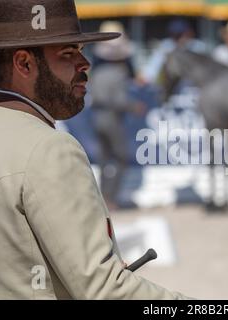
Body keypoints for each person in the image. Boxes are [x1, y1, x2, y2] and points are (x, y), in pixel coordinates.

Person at [0, 0, 191, 300]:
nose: (84, 65)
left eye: (81, 52)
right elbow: (104, 290)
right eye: (68, 54)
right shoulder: (51, 149)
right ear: (24, 63)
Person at [91, 21, 145, 210]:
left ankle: (104, 197)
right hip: (111, 117)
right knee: (121, 157)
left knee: (105, 160)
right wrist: (134, 107)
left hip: (97, 118)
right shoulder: (120, 73)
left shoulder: (96, 72)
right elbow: (120, 101)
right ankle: (111, 198)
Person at [140, 18, 206, 85]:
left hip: (197, 87)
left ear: (189, 33)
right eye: (175, 35)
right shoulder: (166, 46)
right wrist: (145, 77)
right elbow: (152, 67)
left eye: (180, 35)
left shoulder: (198, 47)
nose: (179, 38)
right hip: (174, 89)